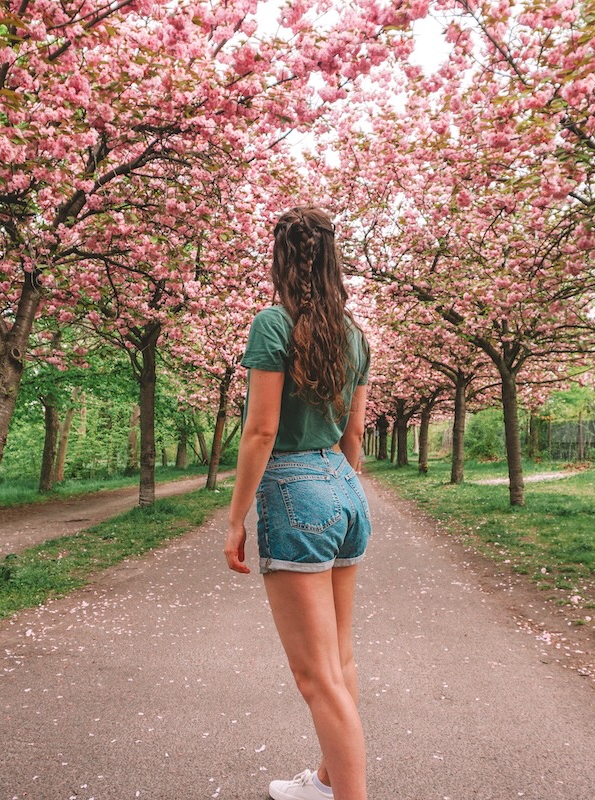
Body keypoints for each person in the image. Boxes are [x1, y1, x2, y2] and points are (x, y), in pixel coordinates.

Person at [224, 206, 372, 800]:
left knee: (315, 677)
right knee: (339, 662)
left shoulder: (274, 324)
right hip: (344, 485)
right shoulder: (356, 334)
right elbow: (354, 437)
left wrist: (235, 520)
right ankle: (324, 783)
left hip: (293, 487)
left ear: (282, 259)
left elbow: (261, 432)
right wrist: (342, 490)